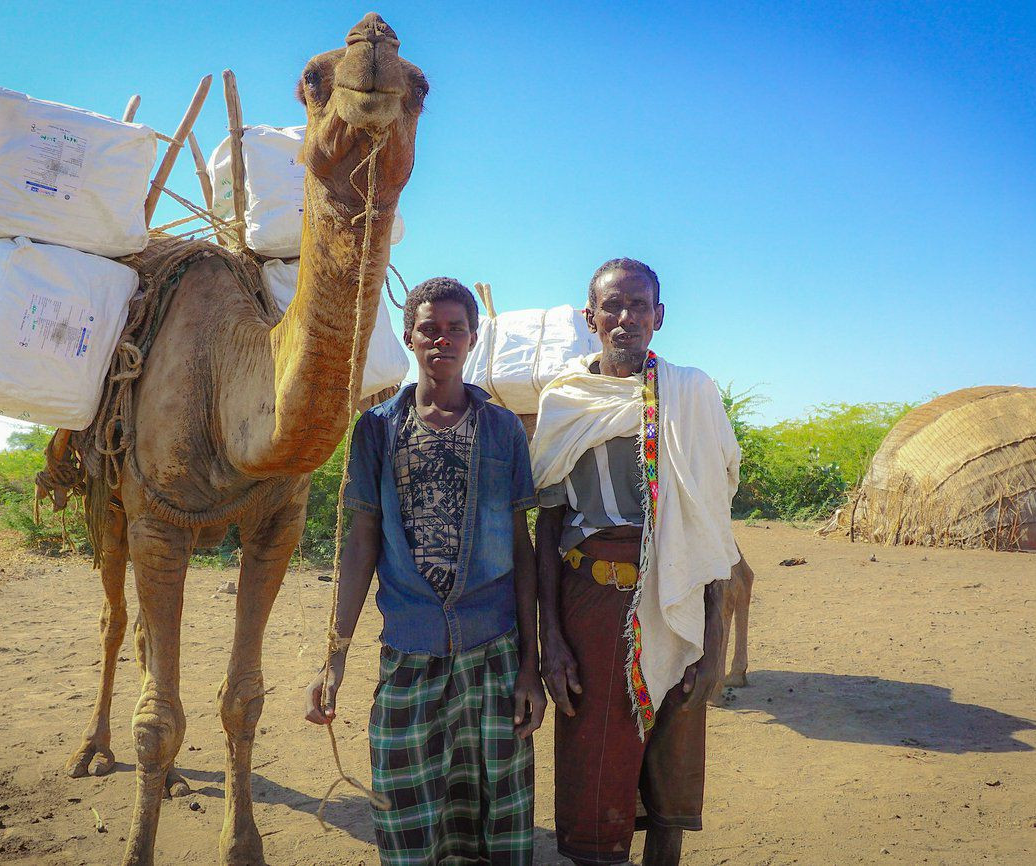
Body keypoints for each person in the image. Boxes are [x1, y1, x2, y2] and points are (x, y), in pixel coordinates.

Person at [305, 276, 546, 865]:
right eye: (429, 329)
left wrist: (530, 670)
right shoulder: (377, 431)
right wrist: (334, 656)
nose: (443, 340)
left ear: (472, 336)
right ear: (411, 337)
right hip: (409, 647)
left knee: (495, 809)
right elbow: (360, 542)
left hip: (493, 650)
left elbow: (522, 546)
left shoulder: (502, 429)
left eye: (455, 329)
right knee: (407, 805)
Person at [532, 258, 742, 866]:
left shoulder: (692, 393)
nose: (626, 319)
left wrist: (714, 638)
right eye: (613, 307)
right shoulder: (566, 400)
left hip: (676, 599)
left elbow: (710, 527)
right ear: (589, 317)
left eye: (639, 306)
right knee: (594, 768)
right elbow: (547, 524)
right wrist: (553, 642)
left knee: (670, 770)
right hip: (591, 604)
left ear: (660, 316)